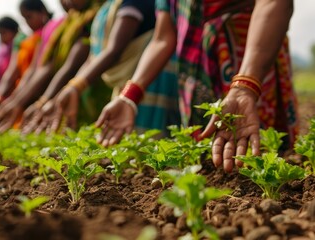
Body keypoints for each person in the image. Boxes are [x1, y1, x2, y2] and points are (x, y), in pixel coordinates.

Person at [95, 0, 298, 173]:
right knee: (208, 161)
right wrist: (129, 96)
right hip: (197, 70)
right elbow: (163, 37)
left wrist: (245, 87)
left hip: (252, 59)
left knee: (260, 155)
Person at [22, 0, 164, 135]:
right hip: (122, 87)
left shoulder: (133, 3)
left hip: (146, 82)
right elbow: (94, 56)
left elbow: (113, 50)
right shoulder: (105, 9)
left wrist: (75, 87)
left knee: (153, 146)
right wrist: (71, 88)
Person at [0, 0, 104, 133]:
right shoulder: (67, 24)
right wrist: (17, 101)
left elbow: (69, 65)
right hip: (63, 93)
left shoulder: (93, 17)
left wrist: (40, 101)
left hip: (89, 92)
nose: (66, 2)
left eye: (29, 16)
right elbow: (40, 68)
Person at [0, 0, 52, 128]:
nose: (27, 22)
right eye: (24, 18)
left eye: (29, 17)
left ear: (42, 11)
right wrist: (8, 99)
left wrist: (15, 100)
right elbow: (24, 71)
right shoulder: (29, 39)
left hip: (40, 92)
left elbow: (36, 70)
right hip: (24, 92)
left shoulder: (47, 33)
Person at [0, 16, 19, 97]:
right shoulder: (2, 52)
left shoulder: (19, 47)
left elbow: (12, 71)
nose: (1, 37)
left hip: (14, 95)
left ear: (14, 31)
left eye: (3, 32)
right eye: (0, 33)